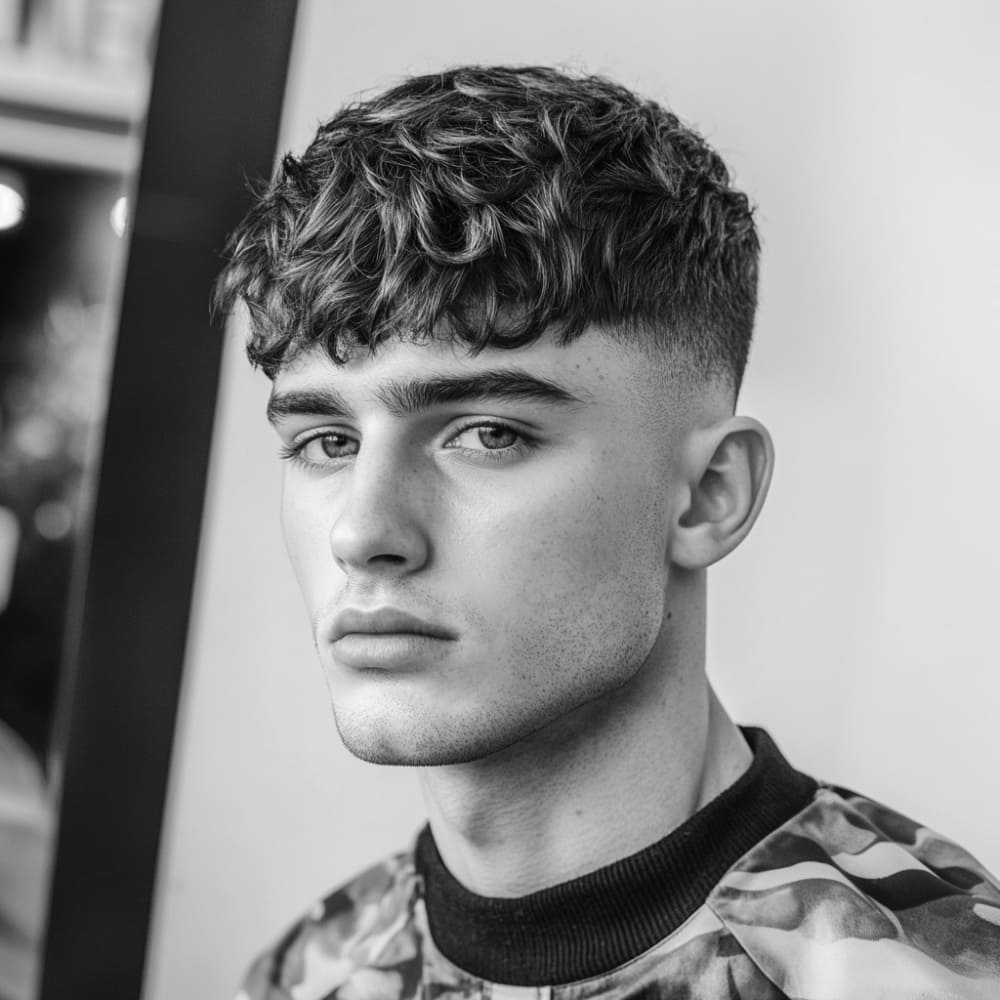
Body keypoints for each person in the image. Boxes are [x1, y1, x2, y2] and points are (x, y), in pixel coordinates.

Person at [214, 65, 1000, 1000]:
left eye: (488, 434)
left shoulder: (935, 979)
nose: (364, 531)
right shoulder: (306, 978)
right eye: (326, 440)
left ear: (711, 495)